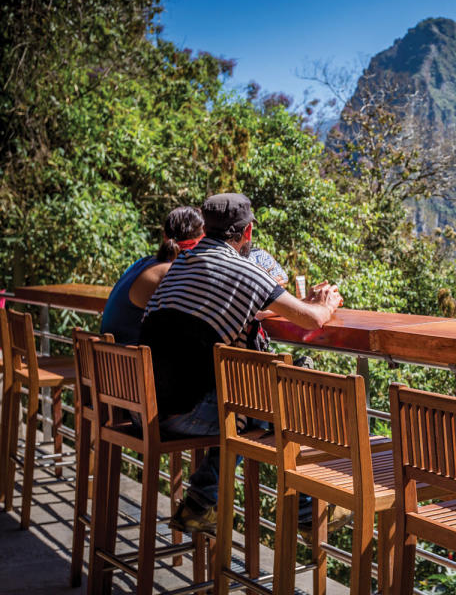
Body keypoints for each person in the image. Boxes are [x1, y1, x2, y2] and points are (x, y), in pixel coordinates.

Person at [139, 192, 343, 530]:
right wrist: (327, 301)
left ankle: (203, 503)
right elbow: (312, 319)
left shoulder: (180, 266)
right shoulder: (247, 271)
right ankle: (308, 510)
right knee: (273, 410)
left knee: (245, 410)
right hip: (179, 415)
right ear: (247, 233)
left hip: (143, 406)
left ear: (205, 229)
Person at [100, 207, 204, 345]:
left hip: (109, 359)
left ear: (164, 235)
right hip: (131, 362)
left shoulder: (143, 262)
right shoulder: (170, 272)